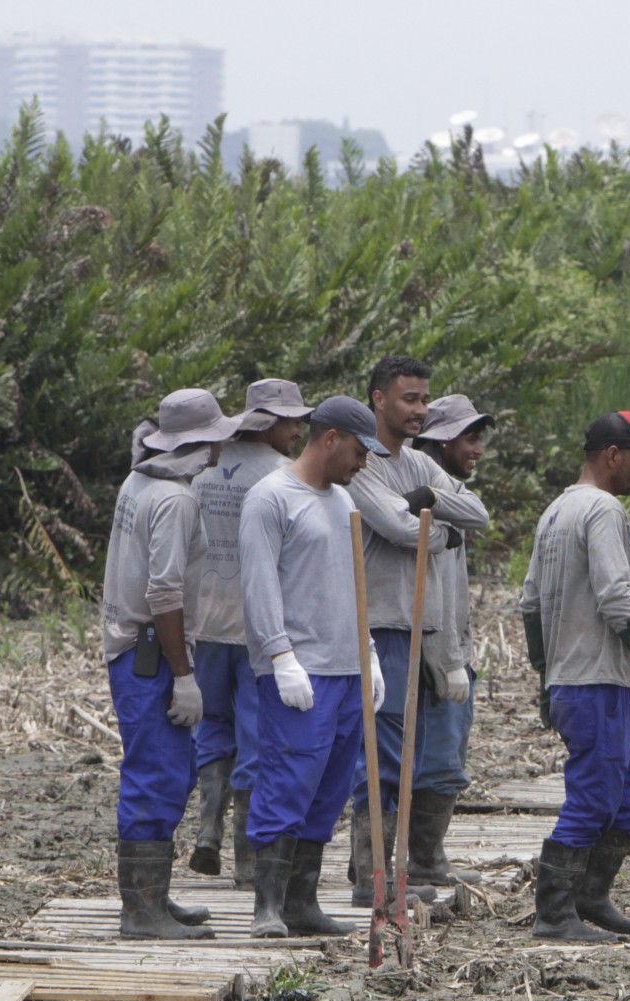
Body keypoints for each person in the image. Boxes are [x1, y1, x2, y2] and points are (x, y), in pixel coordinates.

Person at [519, 412, 630, 942]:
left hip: (595, 679)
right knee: (593, 796)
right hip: (595, 682)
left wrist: (547, 674)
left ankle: (591, 893)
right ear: (613, 455)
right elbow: (616, 596)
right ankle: (554, 912)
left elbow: (530, 605)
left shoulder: (556, 511)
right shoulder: (602, 509)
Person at [241, 395, 392, 938]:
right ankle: (267, 905)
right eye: (357, 451)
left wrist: (369, 652)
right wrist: (280, 655)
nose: (362, 463)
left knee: (330, 786)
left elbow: (355, 585)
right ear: (330, 439)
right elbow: (258, 584)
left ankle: (303, 901)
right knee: (287, 778)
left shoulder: (343, 504)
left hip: (348, 668)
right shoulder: (271, 498)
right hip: (300, 668)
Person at [345, 356, 490, 910]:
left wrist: (427, 504)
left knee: (412, 753)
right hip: (380, 624)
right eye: (409, 399)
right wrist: (430, 522)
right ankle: (371, 880)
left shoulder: (417, 466)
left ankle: (392, 872)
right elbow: (403, 530)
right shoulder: (365, 464)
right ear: (379, 399)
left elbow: (474, 512)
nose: (419, 410)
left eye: (424, 400)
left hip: (421, 625)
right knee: (381, 753)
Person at [101, 389, 244, 939]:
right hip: (150, 656)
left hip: (133, 647)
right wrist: (184, 675)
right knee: (155, 774)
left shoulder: (139, 482)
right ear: (202, 442)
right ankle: (142, 912)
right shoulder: (177, 500)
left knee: (171, 768)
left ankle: (151, 898)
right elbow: (164, 592)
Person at [188, 379, 310, 889]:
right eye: (292, 421)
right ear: (273, 423)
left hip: (205, 622)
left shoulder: (203, 471)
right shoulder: (284, 477)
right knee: (258, 739)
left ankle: (207, 831)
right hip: (259, 630)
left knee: (214, 728)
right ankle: (249, 861)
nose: (299, 430)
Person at [408, 393, 493, 889]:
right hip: (436, 649)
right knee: (439, 760)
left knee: (435, 757)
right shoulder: (430, 501)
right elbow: (433, 590)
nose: (477, 447)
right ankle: (424, 860)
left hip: (444, 645)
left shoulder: (448, 496)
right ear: (440, 441)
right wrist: (452, 660)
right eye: (469, 437)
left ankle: (421, 856)